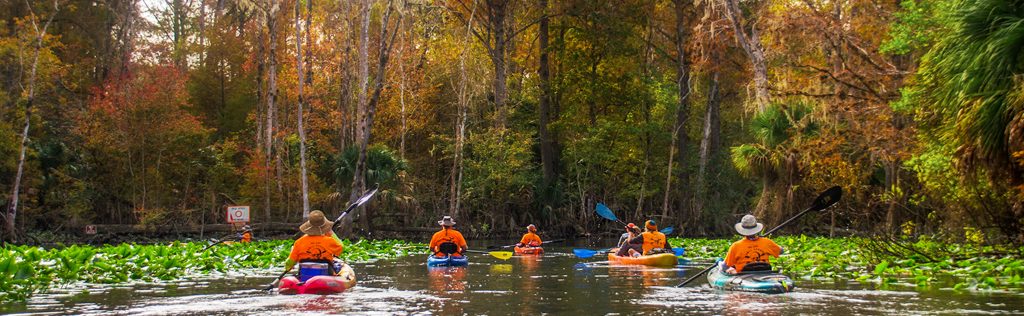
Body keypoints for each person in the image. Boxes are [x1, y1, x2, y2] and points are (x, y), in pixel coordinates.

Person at [282, 210, 345, 279]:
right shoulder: (329, 240)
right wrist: (331, 232)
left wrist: (289, 267)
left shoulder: (299, 242)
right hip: (326, 275)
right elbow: (341, 247)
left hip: (305, 276)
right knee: (338, 267)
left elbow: (289, 263)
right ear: (325, 227)